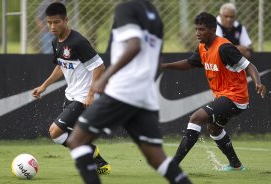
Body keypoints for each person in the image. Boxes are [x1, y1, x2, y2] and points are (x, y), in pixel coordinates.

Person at [66, 0, 191, 183]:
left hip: (124, 90)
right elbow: (156, 60)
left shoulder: (126, 8)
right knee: (157, 158)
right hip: (145, 95)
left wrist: (105, 77)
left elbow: (134, 45)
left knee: (76, 140)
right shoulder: (154, 15)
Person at [161, 12, 266, 171]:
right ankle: (236, 165)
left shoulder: (225, 48)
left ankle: (173, 165)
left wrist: (258, 82)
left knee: (195, 118)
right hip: (223, 96)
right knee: (214, 129)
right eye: (196, 29)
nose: (197, 33)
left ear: (213, 29)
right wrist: (165, 66)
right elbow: (190, 63)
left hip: (235, 97)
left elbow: (249, 66)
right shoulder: (203, 47)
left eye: (202, 29)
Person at [31, 2, 111, 175]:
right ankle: (98, 161)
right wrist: (44, 86)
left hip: (83, 98)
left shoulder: (78, 42)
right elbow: (61, 66)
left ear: (66, 20)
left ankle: (92, 154)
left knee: (55, 132)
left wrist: (91, 95)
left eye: (56, 22)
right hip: (71, 95)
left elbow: (99, 67)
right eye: (49, 22)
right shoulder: (55, 42)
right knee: (70, 137)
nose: (52, 26)